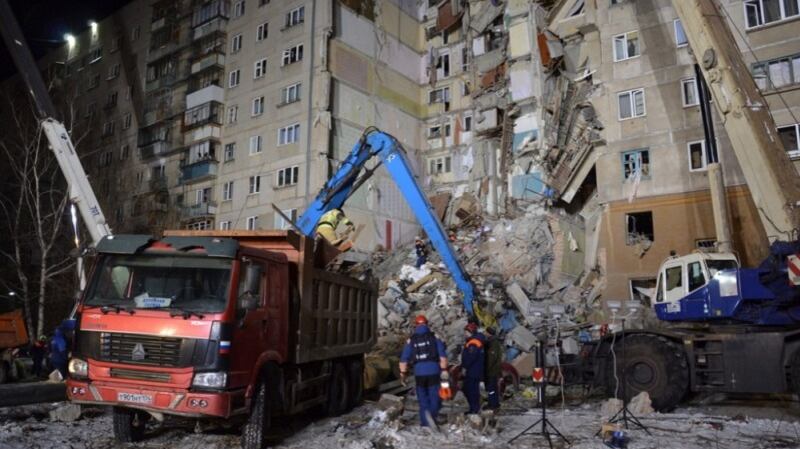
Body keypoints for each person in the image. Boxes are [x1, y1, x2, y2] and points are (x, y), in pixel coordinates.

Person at [399, 315, 448, 427]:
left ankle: (425, 422)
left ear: (416, 325)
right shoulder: (434, 337)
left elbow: (403, 359)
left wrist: (403, 374)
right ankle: (432, 415)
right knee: (434, 396)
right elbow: (442, 356)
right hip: (434, 371)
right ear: (426, 324)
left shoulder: (411, 340)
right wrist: (444, 369)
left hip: (419, 372)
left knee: (422, 398)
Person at [461, 322, 485, 414]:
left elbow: (471, 357)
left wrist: (464, 367)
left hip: (472, 370)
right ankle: (474, 408)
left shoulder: (473, 343)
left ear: (470, 331)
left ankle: (474, 409)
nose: (465, 334)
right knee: (473, 390)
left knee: (471, 390)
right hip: (476, 370)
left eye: (466, 332)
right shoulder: (476, 340)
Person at [484, 327, 504, 410]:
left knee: (492, 388)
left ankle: (492, 404)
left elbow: (492, 358)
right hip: (494, 369)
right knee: (493, 388)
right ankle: (494, 403)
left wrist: (487, 368)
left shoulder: (493, 343)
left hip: (492, 370)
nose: (484, 333)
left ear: (489, 333)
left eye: (486, 332)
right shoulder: (492, 342)